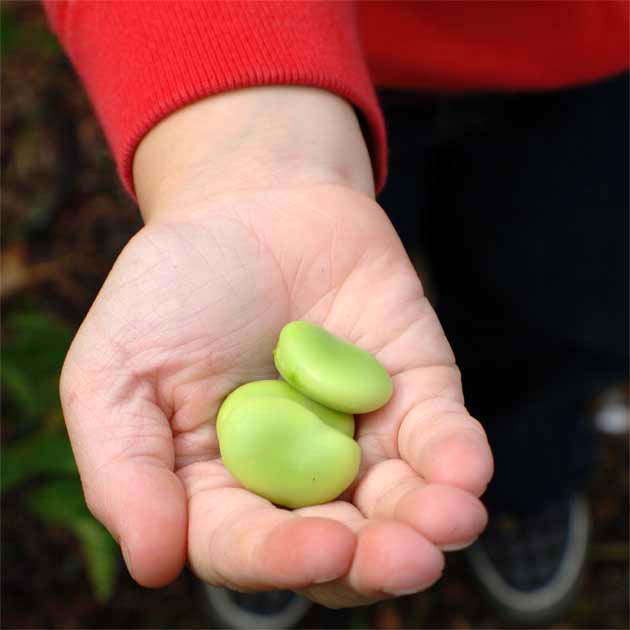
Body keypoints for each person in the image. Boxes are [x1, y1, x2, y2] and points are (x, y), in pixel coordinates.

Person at [43, 2, 628, 627]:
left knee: (558, 308)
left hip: (593, 62)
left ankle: (530, 479)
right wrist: (239, 153)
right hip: (303, 51)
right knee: (357, 261)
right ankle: (301, 527)